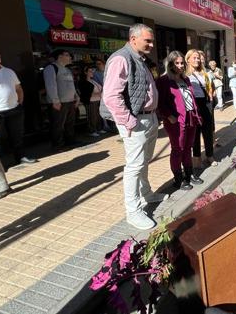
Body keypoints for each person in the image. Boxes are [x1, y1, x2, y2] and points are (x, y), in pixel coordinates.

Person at [101, 24, 165, 230]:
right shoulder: (122, 58)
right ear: (133, 38)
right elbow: (111, 96)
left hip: (149, 118)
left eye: (152, 40)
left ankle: (146, 194)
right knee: (134, 166)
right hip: (136, 120)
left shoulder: (140, 59)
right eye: (148, 40)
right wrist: (129, 121)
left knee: (144, 161)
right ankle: (133, 211)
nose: (151, 44)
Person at [156, 51, 204, 191]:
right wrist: (169, 116)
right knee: (178, 149)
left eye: (182, 62)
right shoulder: (163, 80)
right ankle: (179, 179)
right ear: (170, 64)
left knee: (188, 147)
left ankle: (188, 175)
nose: (180, 65)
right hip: (175, 121)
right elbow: (160, 102)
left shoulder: (185, 79)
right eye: (177, 63)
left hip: (190, 118)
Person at [185, 49, 217, 169]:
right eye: (194, 58)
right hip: (192, 106)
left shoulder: (204, 73)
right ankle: (197, 159)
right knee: (195, 134)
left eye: (198, 58)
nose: (197, 60)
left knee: (207, 132)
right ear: (188, 59)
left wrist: (210, 96)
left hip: (204, 104)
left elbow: (209, 87)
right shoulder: (184, 74)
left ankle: (209, 156)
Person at [44, 49, 79, 151]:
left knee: (70, 123)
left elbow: (71, 85)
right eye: (67, 55)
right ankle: (57, 145)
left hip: (70, 101)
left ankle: (70, 141)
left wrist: (76, 96)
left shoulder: (67, 70)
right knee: (58, 125)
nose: (70, 57)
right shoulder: (51, 68)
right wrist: (55, 100)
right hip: (59, 103)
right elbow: (50, 85)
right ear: (60, 57)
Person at [78, 65, 104, 137]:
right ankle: (92, 130)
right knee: (92, 116)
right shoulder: (83, 82)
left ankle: (99, 128)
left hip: (98, 99)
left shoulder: (93, 81)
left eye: (92, 71)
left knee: (98, 116)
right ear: (85, 72)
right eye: (90, 71)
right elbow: (86, 93)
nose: (92, 72)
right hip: (91, 101)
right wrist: (99, 93)